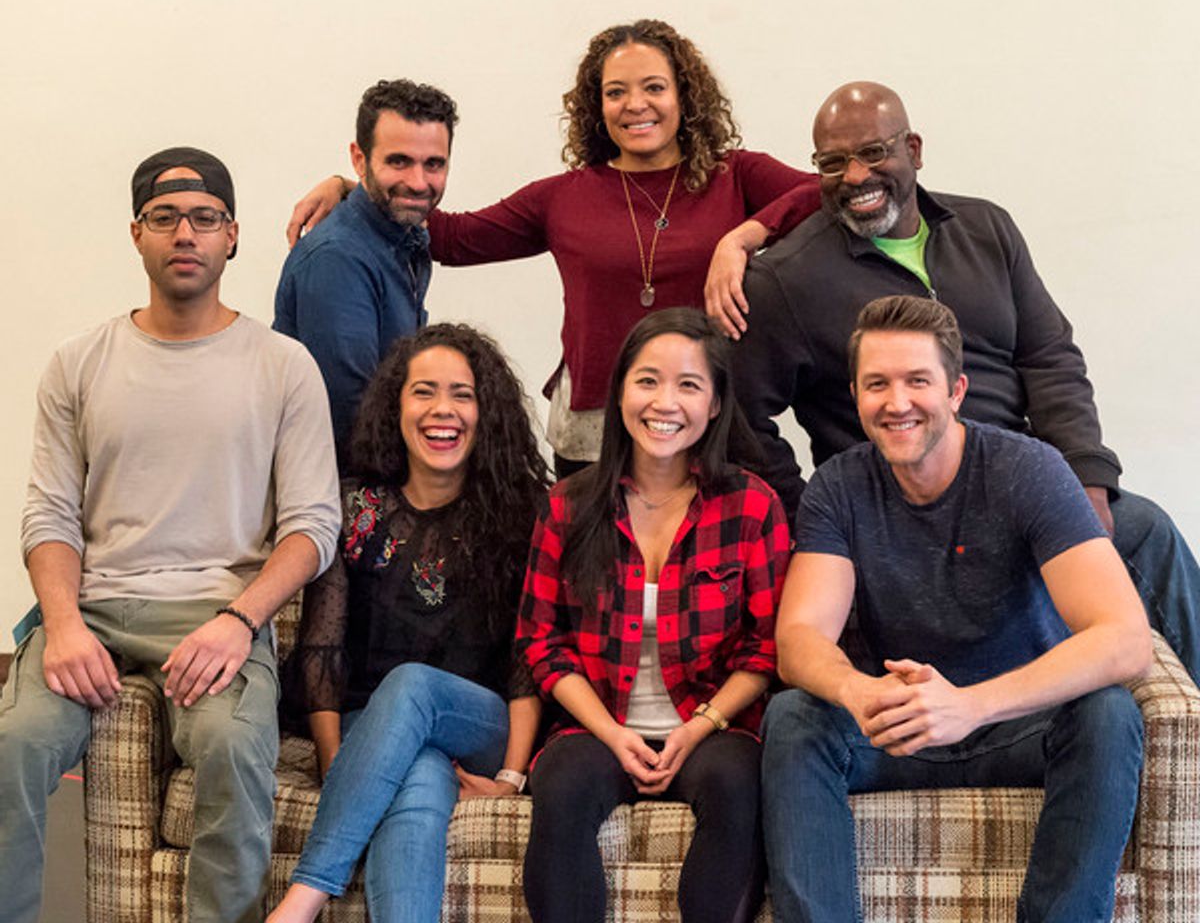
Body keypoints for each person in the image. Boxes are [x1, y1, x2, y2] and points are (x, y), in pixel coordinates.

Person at [731, 80, 1200, 680]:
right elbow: (744, 418)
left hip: (1022, 488)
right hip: (897, 509)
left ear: (914, 150)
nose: (856, 175)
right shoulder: (786, 280)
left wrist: (1085, 478)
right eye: (832, 162)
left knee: (1147, 530)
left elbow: (1050, 357)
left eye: (874, 152)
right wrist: (817, 523)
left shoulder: (987, 230)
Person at [1, 147, 341, 923]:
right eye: (164, 218)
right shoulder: (77, 363)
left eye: (204, 218)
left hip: (217, 616)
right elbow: (49, 516)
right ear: (136, 234)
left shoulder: (283, 366)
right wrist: (62, 626)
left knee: (232, 749)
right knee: (15, 744)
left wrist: (238, 622)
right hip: (93, 612)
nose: (185, 233)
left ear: (232, 235)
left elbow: (313, 527)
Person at [286, 19, 821, 477]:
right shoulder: (565, 196)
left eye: (654, 87)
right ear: (597, 105)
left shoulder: (736, 176)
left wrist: (743, 237)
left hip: (703, 415)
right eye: (616, 92)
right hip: (594, 431)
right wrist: (351, 187)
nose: (635, 104)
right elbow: (451, 236)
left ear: (684, 95)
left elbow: (829, 192)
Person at [763, 295, 1151, 923]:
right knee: (794, 717)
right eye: (877, 384)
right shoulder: (838, 486)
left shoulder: (1028, 470)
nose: (897, 402)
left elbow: (1126, 637)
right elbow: (800, 636)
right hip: (897, 726)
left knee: (1108, 713)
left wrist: (970, 705)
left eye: (917, 381)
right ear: (856, 396)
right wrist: (859, 691)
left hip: (1015, 722)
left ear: (956, 390)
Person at [266, 323, 550, 923]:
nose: (442, 409)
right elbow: (322, 650)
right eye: (424, 391)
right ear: (395, 407)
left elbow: (530, 657)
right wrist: (341, 766)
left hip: (482, 721)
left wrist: (511, 776)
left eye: (462, 394)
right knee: (419, 781)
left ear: (486, 412)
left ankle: (302, 899)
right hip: (372, 722)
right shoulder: (354, 506)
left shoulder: (522, 511)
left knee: (414, 684)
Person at [515, 307, 790, 923]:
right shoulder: (566, 506)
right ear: (619, 393)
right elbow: (541, 642)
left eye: (688, 385)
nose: (665, 402)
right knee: (561, 782)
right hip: (599, 727)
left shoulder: (752, 505)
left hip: (713, 728)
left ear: (715, 405)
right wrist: (612, 733)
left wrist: (701, 726)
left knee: (736, 783)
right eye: (647, 381)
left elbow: (767, 646)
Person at [274, 79, 458, 465]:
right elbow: (354, 423)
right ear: (359, 160)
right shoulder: (337, 259)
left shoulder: (403, 234)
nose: (418, 182)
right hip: (346, 484)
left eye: (434, 164)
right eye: (399, 161)